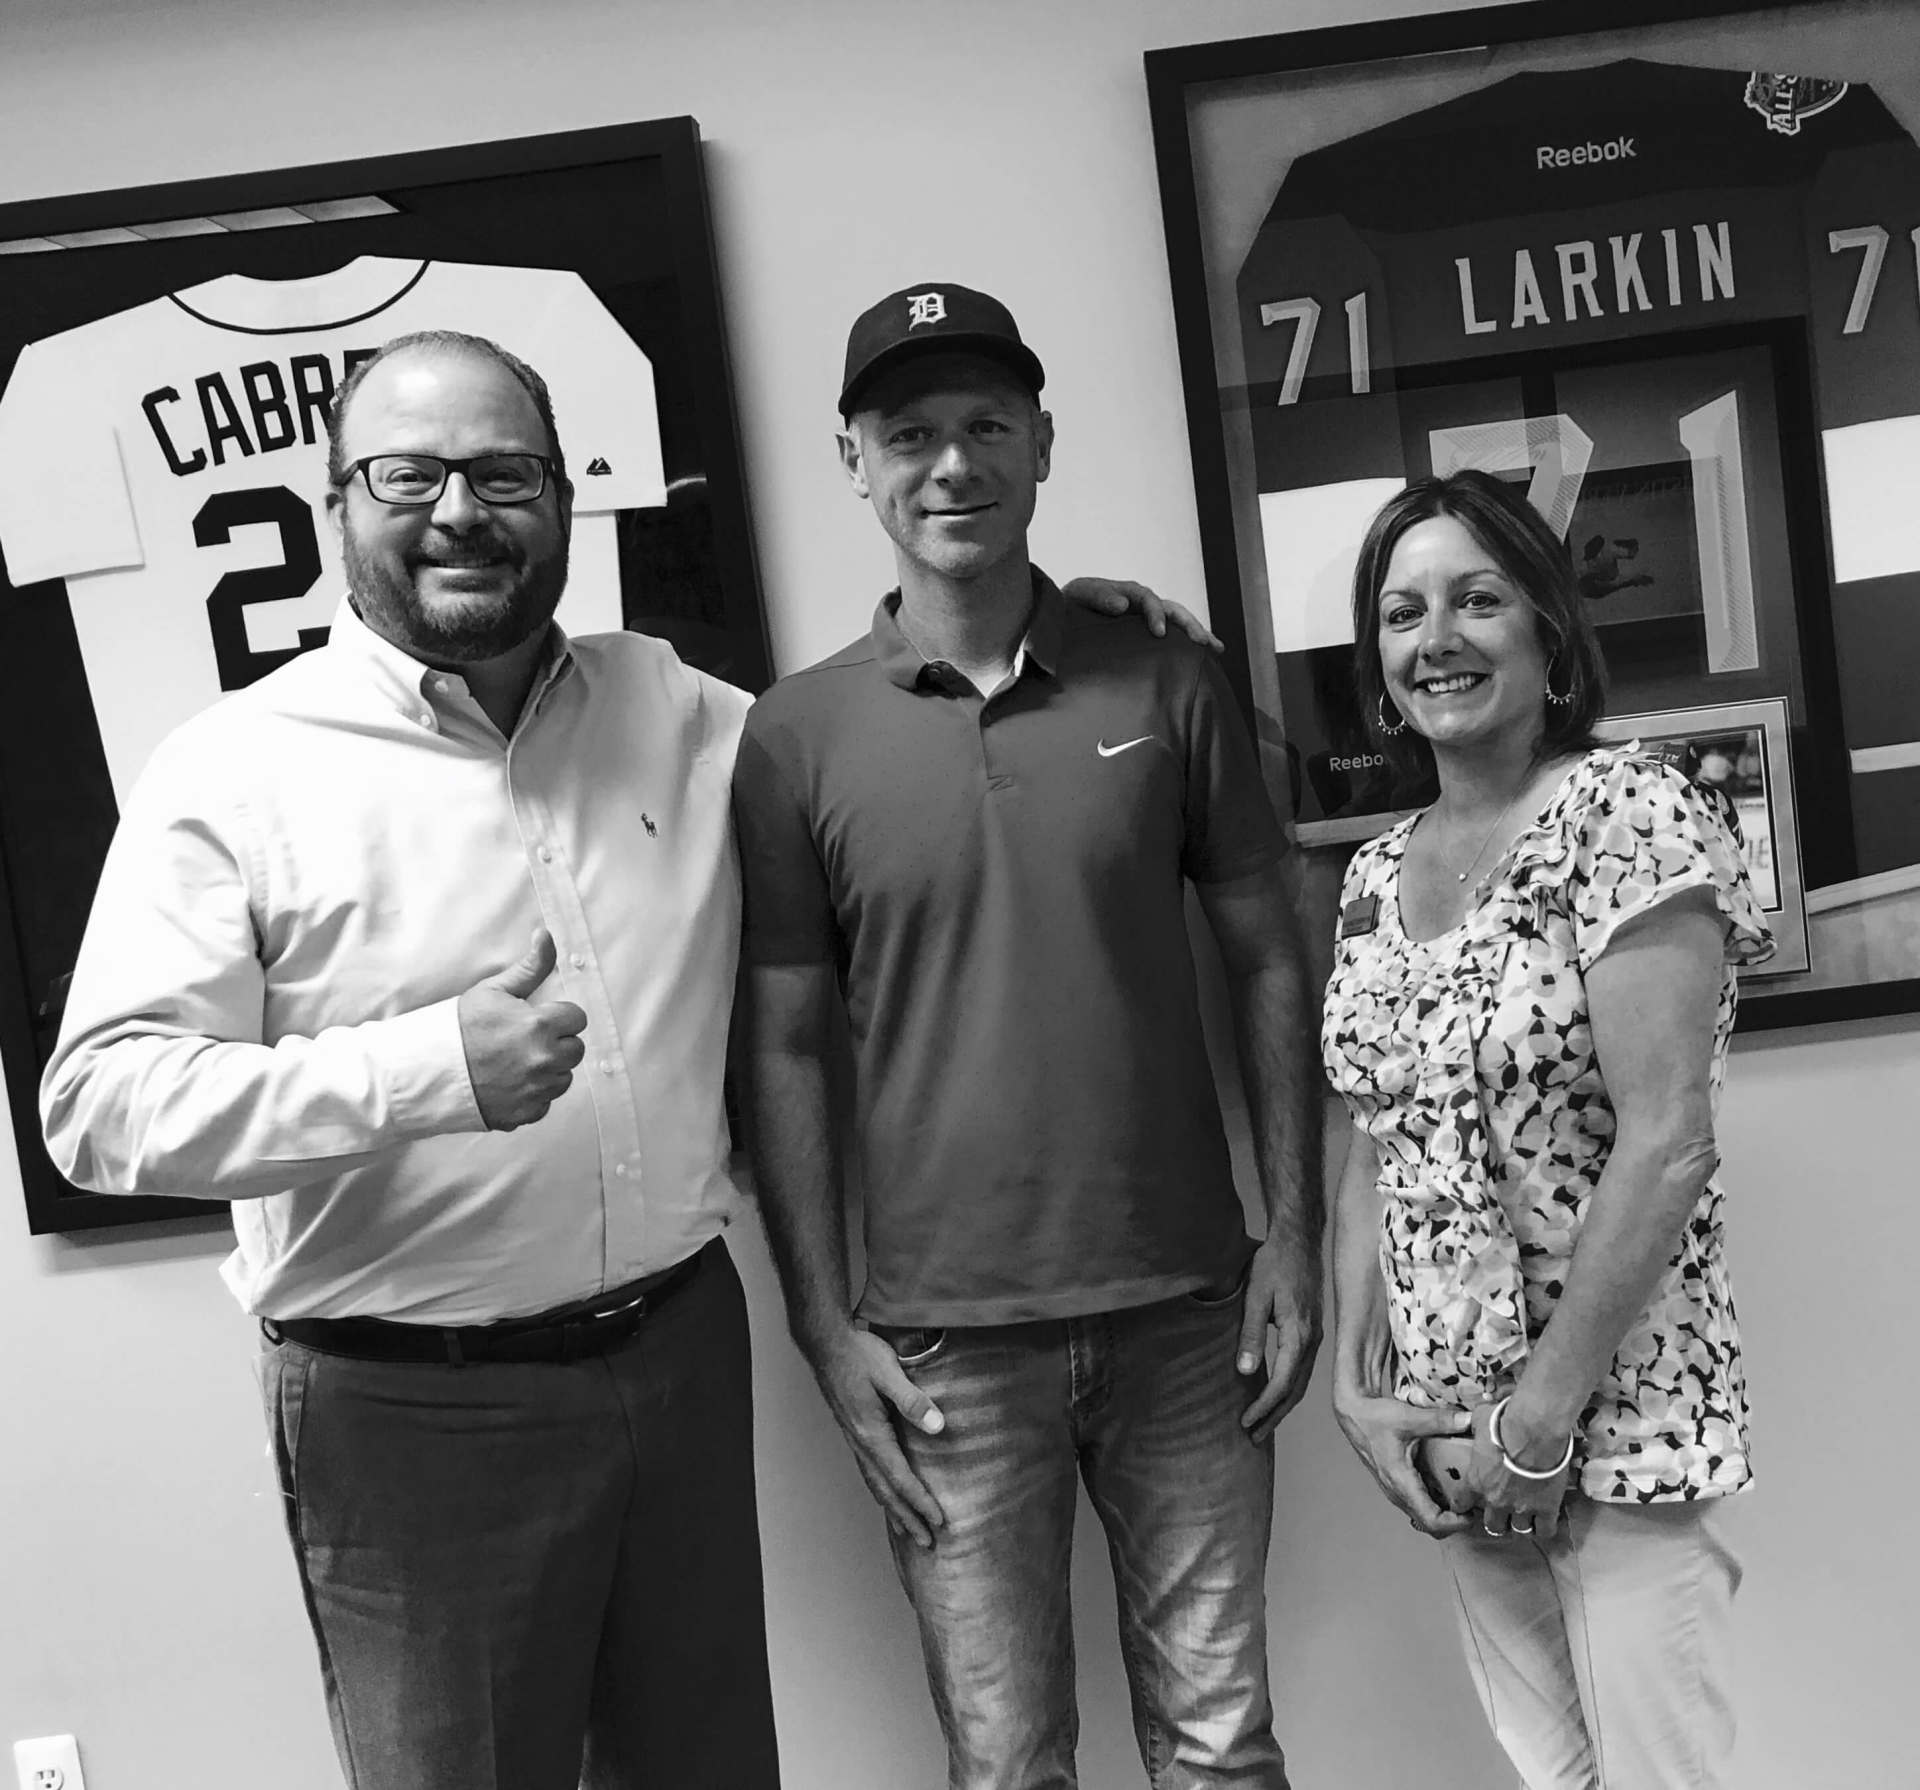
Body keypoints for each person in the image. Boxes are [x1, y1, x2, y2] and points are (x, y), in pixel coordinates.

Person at [38, 325, 1206, 1790]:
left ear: (565, 502)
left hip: (674, 1355)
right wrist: (428, 1071)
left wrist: (1068, 634)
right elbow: (98, 1105)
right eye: (409, 473)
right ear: (339, 500)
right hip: (410, 1406)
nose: (461, 509)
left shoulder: (680, 710)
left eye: (505, 472)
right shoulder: (234, 767)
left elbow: (884, 735)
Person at [731, 282, 1323, 1790]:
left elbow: (1269, 955)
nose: (952, 465)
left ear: (1043, 443)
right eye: (911, 432)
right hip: (940, 1345)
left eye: (987, 425)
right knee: (1005, 1765)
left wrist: (1297, 1241)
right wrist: (819, 1318)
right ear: (852, 461)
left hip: (1189, 1309)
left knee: (1219, 1743)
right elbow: (785, 1042)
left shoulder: (1165, 676)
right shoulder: (794, 735)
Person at [1322, 469, 1774, 1789]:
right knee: (1554, 1781)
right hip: (1461, 1435)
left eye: (1478, 599)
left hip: (1613, 1418)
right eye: (1403, 612)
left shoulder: (1625, 811)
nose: (1436, 638)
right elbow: (1375, 1131)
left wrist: (1542, 1420)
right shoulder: (1371, 873)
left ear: (1549, 632)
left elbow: (1667, 1139)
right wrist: (1364, 1387)